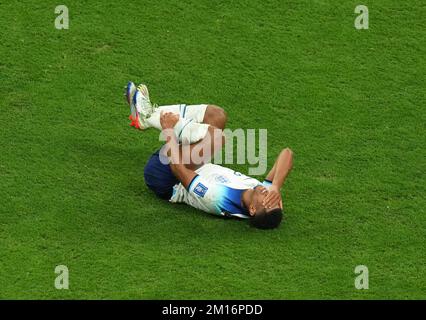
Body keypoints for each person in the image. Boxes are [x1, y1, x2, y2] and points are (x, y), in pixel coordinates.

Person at [124, 82, 293, 229]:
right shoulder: (260, 190)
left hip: (164, 174)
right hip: (187, 162)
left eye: (268, 201)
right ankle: (147, 115)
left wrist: (169, 132)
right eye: (275, 200)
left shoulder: (217, 198)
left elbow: (178, 169)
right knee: (217, 115)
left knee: (216, 139)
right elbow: (287, 153)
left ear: (253, 210)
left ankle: (148, 117)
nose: (268, 194)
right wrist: (276, 186)